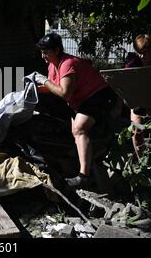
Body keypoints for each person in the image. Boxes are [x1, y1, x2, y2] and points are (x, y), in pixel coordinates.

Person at [34, 33, 118, 188]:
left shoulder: (68, 64)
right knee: (75, 131)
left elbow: (64, 93)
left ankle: (83, 176)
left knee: (79, 129)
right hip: (80, 101)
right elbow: (54, 88)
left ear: (57, 50)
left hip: (97, 96)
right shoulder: (52, 65)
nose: (43, 56)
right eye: (41, 52)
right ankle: (88, 158)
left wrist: (44, 80)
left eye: (46, 52)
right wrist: (33, 87)